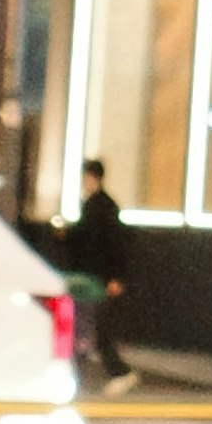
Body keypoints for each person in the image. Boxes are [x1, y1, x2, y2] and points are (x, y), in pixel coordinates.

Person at [57, 162, 136, 381]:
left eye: (85, 177)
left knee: (92, 325)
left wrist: (116, 276)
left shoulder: (100, 207)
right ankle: (112, 372)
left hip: (94, 276)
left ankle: (119, 372)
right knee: (90, 325)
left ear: (93, 177)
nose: (83, 182)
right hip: (94, 275)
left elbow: (109, 243)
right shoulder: (100, 205)